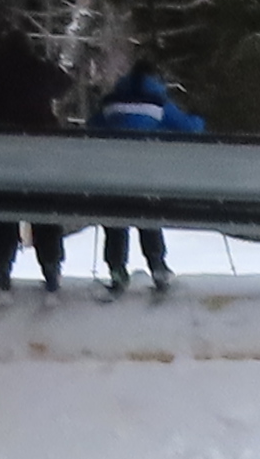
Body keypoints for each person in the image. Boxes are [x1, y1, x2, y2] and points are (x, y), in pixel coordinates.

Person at [0, 18, 72, 288]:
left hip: (1, 160)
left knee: (4, 202)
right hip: (40, 160)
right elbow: (65, 83)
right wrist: (45, 63)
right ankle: (51, 263)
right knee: (44, 204)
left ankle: (2, 263)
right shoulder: (39, 70)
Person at [85, 62, 205, 293]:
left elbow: (93, 126)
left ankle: (117, 269)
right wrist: (199, 117)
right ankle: (157, 266)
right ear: (154, 80)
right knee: (148, 216)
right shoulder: (158, 104)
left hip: (113, 178)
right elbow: (191, 128)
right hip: (146, 177)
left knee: (115, 218)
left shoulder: (111, 103)